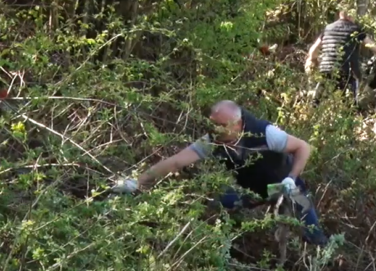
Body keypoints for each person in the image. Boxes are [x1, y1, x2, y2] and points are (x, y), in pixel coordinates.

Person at [111, 100, 328, 245]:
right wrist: (137, 182)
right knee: (211, 203)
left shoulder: (265, 133)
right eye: (213, 125)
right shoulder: (211, 141)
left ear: (238, 124)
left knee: (312, 230)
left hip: (284, 185)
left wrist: (291, 177)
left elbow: (303, 147)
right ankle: (216, 248)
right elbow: (176, 161)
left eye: (221, 125)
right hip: (251, 190)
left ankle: (321, 263)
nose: (215, 130)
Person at [305, 7, 376, 104]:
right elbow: (374, 48)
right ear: (350, 16)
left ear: (340, 15)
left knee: (317, 102)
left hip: (326, 70)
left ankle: (314, 109)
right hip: (348, 72)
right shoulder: (356, 29)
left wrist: (313, 61)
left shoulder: (328, 28)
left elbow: (312, 51)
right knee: (350, 104)